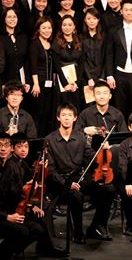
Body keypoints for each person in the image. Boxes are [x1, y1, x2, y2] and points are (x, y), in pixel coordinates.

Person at [0, 132, 65, 260]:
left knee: (37, 228)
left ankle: (6, 255)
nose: (3, 149)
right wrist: (7, 217)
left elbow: (14, 195)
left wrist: (31, 205)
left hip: (6, 213)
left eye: (6, 145)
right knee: (22, 231)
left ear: (11, 148)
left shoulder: (9, 167)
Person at [46, 103, 116, 243]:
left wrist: (102, 151)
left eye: (70, 115)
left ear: (75, 118)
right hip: (60, 183)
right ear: (58, 118)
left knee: (108, 189)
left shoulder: (80, 137)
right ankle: (77, 232)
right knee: (76, 196)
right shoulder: (50, 140)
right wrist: (67, 183)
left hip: (79, 179)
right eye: (63, 115)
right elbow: (51, 170)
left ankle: (96, 227)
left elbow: (91, 157)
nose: (66, 118)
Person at [29, 17, 55, 138]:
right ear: (38, 29)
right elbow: (33, 66)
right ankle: (35, 140)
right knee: (38, 114)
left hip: (50, 84)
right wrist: (35, 84)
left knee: (47, 114)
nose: (47, 30)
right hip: (38, 83)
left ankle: (44, 140)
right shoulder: (35, 44)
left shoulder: (51, 43)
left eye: (49, 28)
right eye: (44, 28)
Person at [81, 7, 108, 89]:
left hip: (102, 75)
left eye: (94, 18)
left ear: (98, 20)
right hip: (86, 76)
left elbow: (106, 58)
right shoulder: (81, 37)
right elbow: (82, 60)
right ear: (85, 20)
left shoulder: (104, 36)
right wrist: (89, 78)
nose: (92, 21)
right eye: (89, 18)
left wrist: (102, 77)